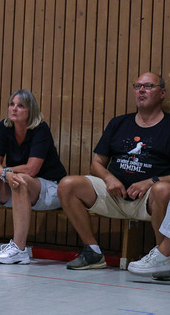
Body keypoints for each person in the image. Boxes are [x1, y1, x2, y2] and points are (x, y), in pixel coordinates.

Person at [58, 72, 170, 270]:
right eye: (137, 86)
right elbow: (96, 163)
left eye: (148, 86)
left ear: (162, 93)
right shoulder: (119, 123)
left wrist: (150, 181)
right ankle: (93, 252)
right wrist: (109, 178)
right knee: (68, 185)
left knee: (163, 189)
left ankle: (164, 256)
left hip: (149, 198)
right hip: (113, 194)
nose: (141, 90)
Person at [0, 90, 66, 264]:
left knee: (21, 179)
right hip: (19, 186)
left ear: (30, 110)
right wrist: (6, 173)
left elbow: (32, 169)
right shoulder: (4, 126)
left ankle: (19, 249)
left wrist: (6, 171)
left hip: (52, 189)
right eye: (11, 104)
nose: (14, 109)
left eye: (20, 106)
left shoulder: (40, 128)